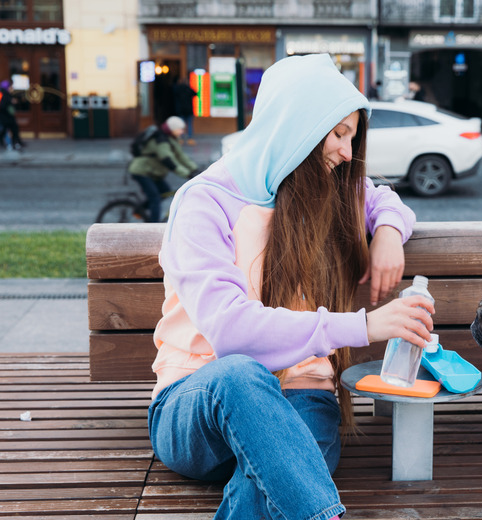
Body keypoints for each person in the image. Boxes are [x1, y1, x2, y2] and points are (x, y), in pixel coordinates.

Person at [147, 53, 434, 520]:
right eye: (338, 133)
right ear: (296, 125)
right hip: (199, 402)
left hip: (303, 394)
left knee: (275, 476)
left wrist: (387, 232)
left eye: (353, 137)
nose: (347, 152)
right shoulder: (205, 203)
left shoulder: (322, 188)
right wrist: (364, 325)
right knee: (241, 373)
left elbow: (383, 198)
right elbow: (233, 332)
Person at [127, 116, 197, 222]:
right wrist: (187, 174)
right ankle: (152, 227)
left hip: (154, 172)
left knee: (165, 191)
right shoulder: (161, 140)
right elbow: (168, 161)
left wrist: (195, 169)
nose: (182, 132)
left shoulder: (171, 139)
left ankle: (140, 209)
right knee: (155, 198)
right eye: (180, 129)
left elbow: (181, 156)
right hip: (142, 171)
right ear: (172, 129)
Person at [0, 80, 25, 151]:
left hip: (8, 117)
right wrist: (10, 101)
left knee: (13, 129)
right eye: (11, 87)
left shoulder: (7, 94)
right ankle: (15, 143)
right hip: (5, 117)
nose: (12, 88)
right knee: (8, 130)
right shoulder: (3, 94)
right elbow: (2, 106)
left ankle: (16, 143)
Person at [172, 76, 198, 145]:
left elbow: (173, 93)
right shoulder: (188, 88)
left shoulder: (178, 89)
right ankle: (190, 139)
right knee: (189, 125)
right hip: (189, 110)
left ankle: (180, 139)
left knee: (181, 125)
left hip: (181, 110)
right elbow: (195, 93)